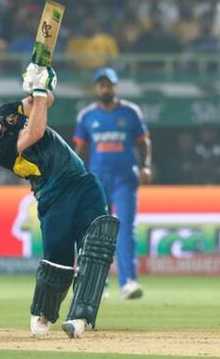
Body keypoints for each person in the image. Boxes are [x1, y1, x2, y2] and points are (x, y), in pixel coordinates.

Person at [0, 63, 119, 339]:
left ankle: (80, 317)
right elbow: (35, 131)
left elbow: (43, 102)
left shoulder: (7, 111)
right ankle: (43, 312)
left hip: (82, 182)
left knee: (96, 246)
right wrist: (39, 92)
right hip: (53, 195)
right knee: (58, 263)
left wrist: (43, 84)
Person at [74, 67, 152, 300]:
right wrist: (75, 175)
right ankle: (98, 283)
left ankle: (128, 282)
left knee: (126, 229)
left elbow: (144, 142)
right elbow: (79, 149)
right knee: (97, 232)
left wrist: (146, 166)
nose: (105, 88)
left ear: (115, 87)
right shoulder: (87, 115)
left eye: (109, 84)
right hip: (97, 180)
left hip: (125, 179)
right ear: (96, 88)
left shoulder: (130, 112)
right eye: (101, 84)